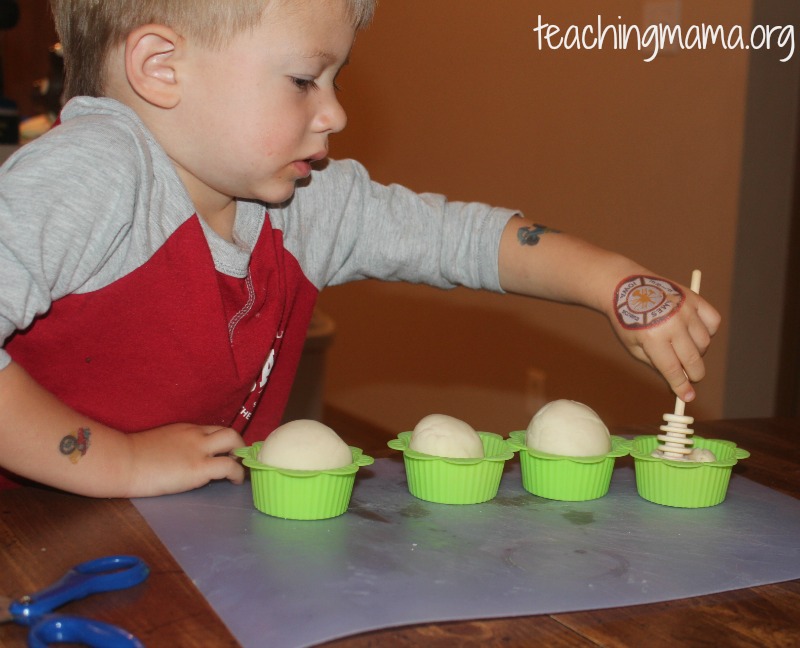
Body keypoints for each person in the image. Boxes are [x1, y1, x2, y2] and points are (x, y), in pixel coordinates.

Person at [0, 0, 720, 498]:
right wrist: (118, 461)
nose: (336, 111)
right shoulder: (92, 172)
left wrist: (613, 283)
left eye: (335, 78)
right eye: (304, 80)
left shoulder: (308, 205)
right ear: (161, 67)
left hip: (178, 541)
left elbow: (459, 238)